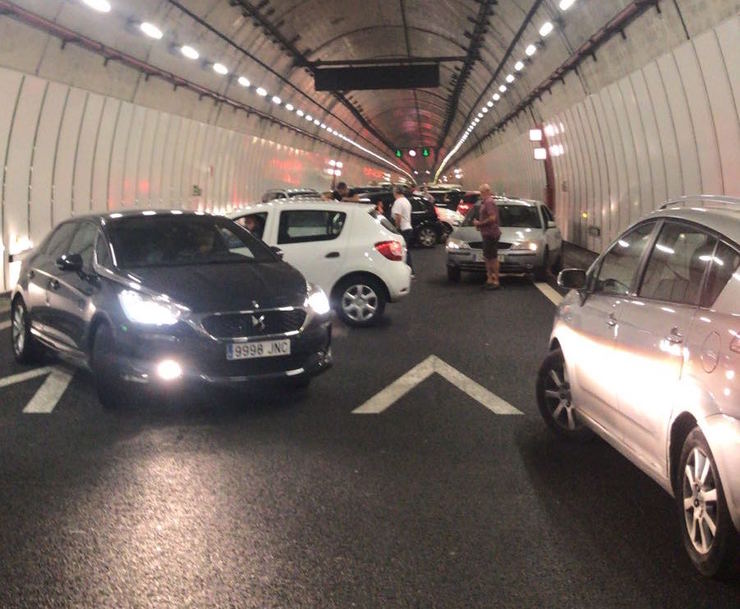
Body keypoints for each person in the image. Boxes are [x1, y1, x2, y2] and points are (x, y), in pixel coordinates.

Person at [473, 183, 501, 290]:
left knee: (492, 258)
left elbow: (492, 218)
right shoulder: (485, 202)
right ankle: (490, 279)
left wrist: (479, 224)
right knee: (488, 257)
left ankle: (495, 280)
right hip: (487, 233)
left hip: (491, 233)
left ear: (486, 192)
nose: (481, 194)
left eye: (482, 192)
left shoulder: (489, 202)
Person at [391, 186, 415, 277]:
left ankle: (409, 271)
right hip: (408, 227)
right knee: (405, 250)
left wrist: (396, 228)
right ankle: (410, 271)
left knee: (402, 251)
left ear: (396, 192)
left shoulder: (398, 202)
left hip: (403, 229)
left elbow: (398, 217)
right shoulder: (406, 201)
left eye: (393, 191)